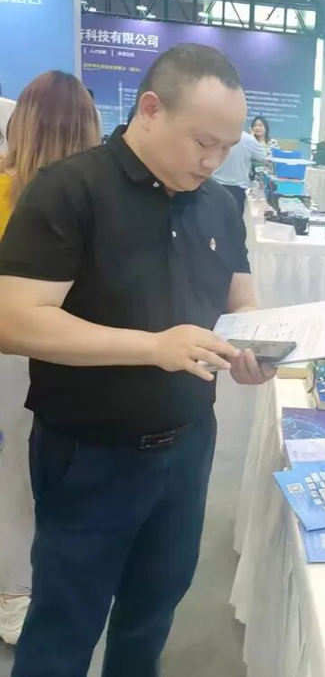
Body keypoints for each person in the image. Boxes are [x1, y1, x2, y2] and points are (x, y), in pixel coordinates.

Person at [0, 43, 275, 677]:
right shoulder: (71, 189)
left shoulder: (219, 203)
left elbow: (241, 299)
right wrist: (152, 346)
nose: (212, 161)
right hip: (90, 454)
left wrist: (256, 347)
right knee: (64, 627)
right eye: (202, 142)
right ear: (150, 110)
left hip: (188, 447)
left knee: (151, 616)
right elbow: (14, 319)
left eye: (226, 148)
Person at [0, 71, 101, 647]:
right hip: (68, 359)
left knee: (15, 475)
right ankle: (21, 591)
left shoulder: (13, 193)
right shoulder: (94, 201)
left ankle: (17, 590)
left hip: (20, 359)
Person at [212, 128, 268, 212]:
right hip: (236, 188)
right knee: (233, 218)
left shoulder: (215, 134)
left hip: (213, 184)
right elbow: (262, 157)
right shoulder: (248, 139)